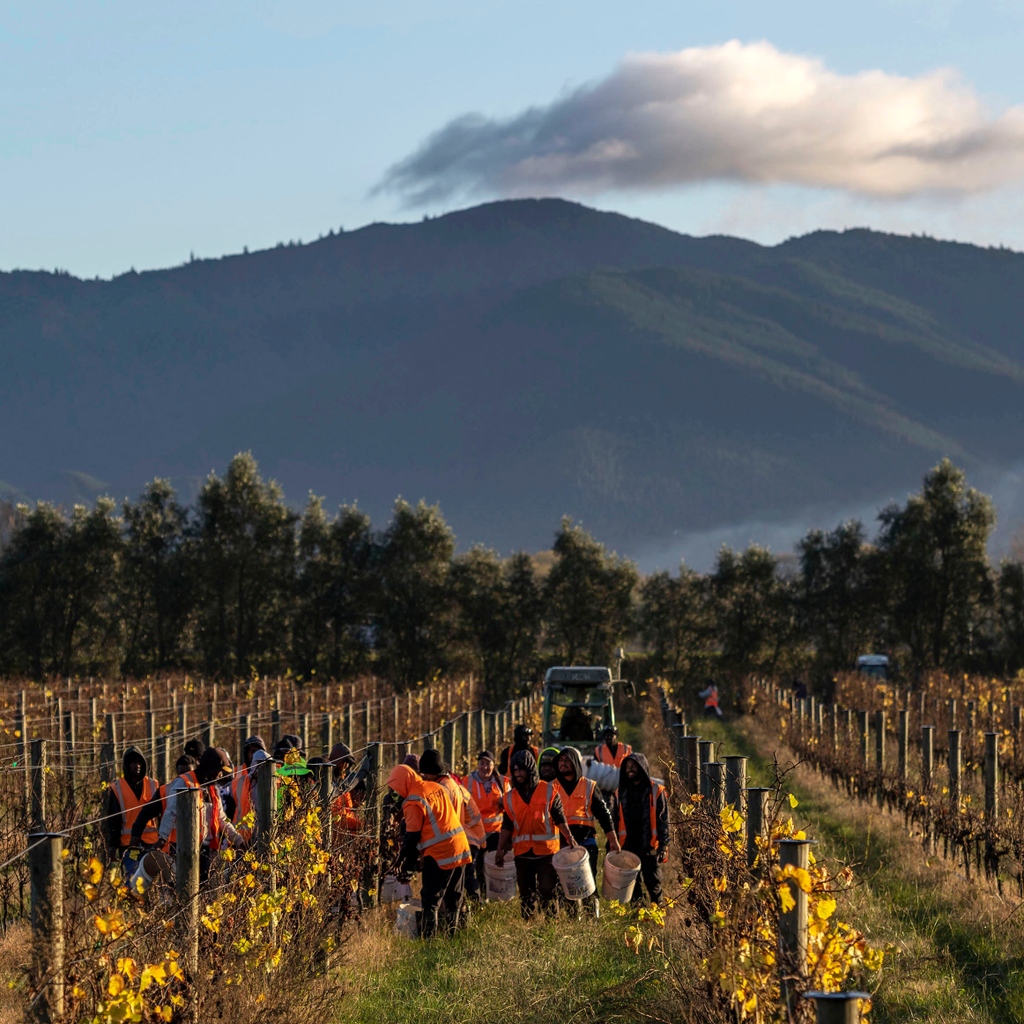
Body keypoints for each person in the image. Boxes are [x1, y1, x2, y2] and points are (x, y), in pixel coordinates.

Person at [387, 763, 471, 939]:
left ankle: (429, 942)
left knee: (430, 900)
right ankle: (452, 937)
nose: (397, 794)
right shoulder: (434, 786)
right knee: (453, 898)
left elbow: (412, 838)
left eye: (396, 788)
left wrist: (405, 864)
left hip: (440, 853)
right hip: (461, 846)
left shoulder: (412, 801)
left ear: (403, 782)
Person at [495, 749, 576, 919]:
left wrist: (569, 837)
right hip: (522, 853)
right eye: (515, 770)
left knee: (547, 889)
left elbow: (559, 818)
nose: (517, 774)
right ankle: (528, 924)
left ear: (530, 769)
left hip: (546, 852)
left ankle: (550, 922)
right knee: (525, 893)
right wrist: (500, 849)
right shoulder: (509, 797)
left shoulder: (549, 791)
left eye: (521, 770)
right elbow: (507, 826)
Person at [420, 749, 486, 904]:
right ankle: (462, 919)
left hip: (459, 841)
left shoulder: (442, 789)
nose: (423, 778)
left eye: (425, 774)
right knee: (456, 890)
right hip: (465, 839)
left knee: (442, 892)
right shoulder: (452, 784)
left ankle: (473, 908)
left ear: (434, 771)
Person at [616, 754, 669, 905]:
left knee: (653, 884)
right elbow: (615, 821)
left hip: (649, 847)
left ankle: (658, 915)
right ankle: (638, 918)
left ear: (643, 768)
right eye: (627, 766)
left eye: (634, 766)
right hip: (628, 846)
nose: (630, 770)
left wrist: (664, 845)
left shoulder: (656, 791)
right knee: (633, 886)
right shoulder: (620, 792)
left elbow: (663, 821)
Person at [101, 745, 161, 869]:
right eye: (133, 762)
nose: (137, 765)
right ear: (127, 765)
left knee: (150, 879)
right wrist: (113, 845)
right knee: (131, 880)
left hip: (150, 842)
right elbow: (113, 819)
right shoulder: (117, 788)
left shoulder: (153, 784)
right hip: (128, 844)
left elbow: (162, 813)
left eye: (139, 762)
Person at [467, 751, 507, 892]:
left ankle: (496, 894)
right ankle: (482, 896)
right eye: (482, 763)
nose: (485, 767)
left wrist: (504, 803)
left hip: (496, 831)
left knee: (495, 865)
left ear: (493, 765)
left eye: (488, 763)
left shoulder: (503, 782)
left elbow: (511, 805)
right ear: (477, 764)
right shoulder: (467, 782)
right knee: (478, 867)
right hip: (475, 833)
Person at [228, 735, 266, 838]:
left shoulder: (275, 778)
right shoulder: (236, 774)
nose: (254, 755)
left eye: (258, 751)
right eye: (252, 751)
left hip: (265, 835)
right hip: (242, 836)